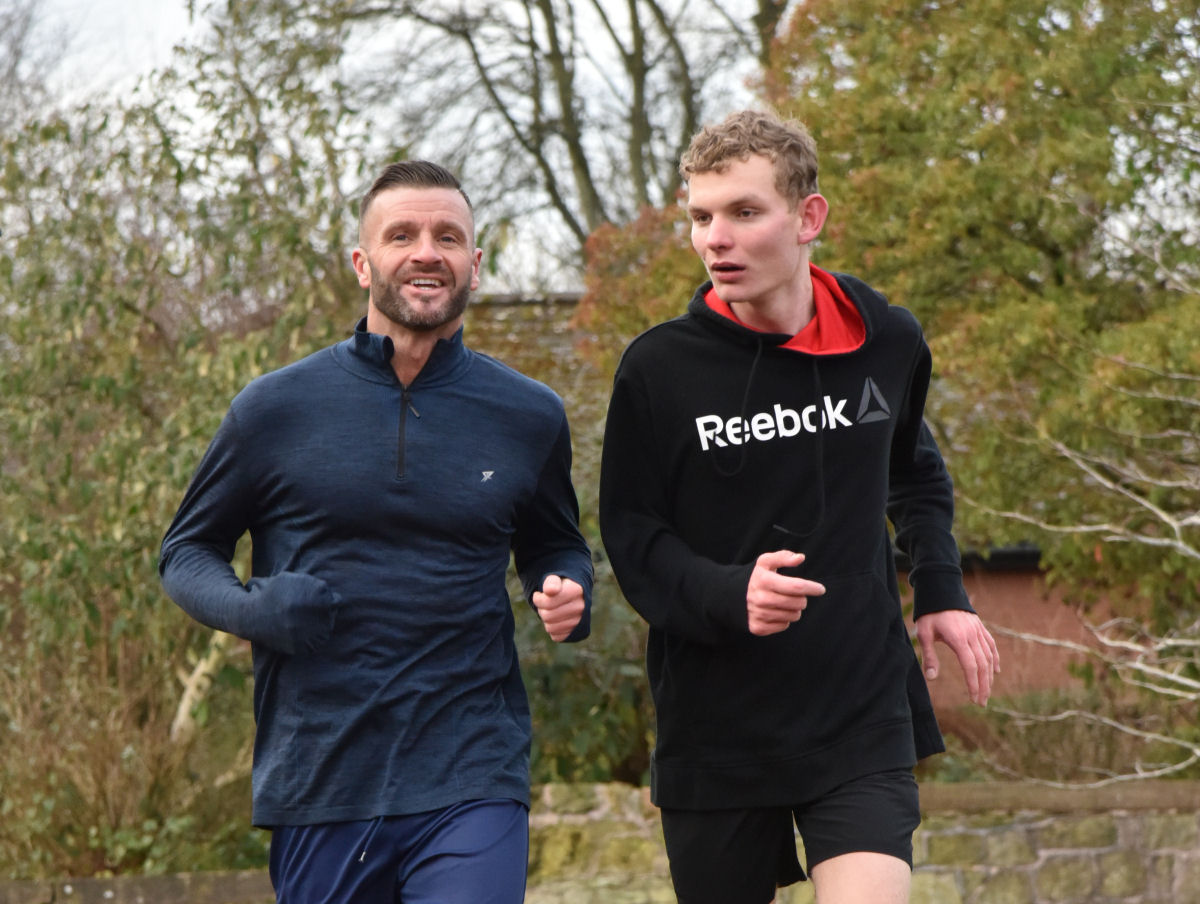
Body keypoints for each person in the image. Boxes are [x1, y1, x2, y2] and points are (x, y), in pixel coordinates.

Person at [160, 160, 593, 904]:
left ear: (475, 267)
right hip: (324, 773)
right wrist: (255, 609)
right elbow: (185, 554)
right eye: (403, 234)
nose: (428, 250)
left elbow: (556, 545)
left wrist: (567, 590)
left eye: (448, 236)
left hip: (472, 765)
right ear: (364, 264)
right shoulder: (275, 409)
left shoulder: (529, 414)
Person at [598, 109, 999, 904]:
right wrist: (727, 591)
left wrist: (941, 590)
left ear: (807, 216)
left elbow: (912, 472)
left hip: (858, 708)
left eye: (745, 213)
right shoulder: (657, 370)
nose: (718, 238)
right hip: (718, 726)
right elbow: (634, 538)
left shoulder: (885, 339)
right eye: (702, 218)